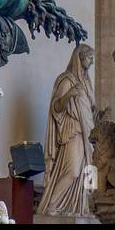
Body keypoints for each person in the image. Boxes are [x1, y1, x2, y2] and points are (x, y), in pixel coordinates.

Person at [36, 43, 95, 216]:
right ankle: (52, 205)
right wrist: (70, 94)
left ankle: (85, 207)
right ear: (80, 57)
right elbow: (56, 107)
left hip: (89, 133)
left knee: (90, 172)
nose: (91, 62)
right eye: (89, 58)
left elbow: (89, 109)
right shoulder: (67, 80)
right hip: (74, 132)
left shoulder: (87, 82)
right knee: (73, 170)